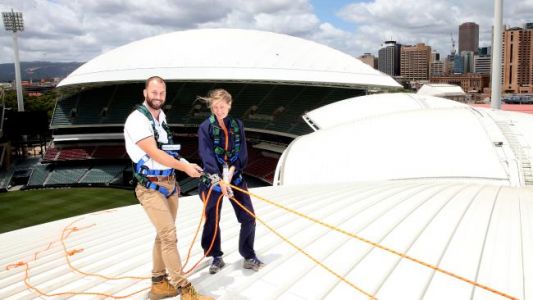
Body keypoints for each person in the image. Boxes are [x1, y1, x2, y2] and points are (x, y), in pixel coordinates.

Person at [124, 76, 213, 300]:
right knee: (169, 237)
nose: (158, 97)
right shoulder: (137, 120)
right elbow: (155, 153)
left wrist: (185, 163)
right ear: (145, 93)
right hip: (151, 186)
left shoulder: (161, 117)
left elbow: (169, 151)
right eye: (154, 93)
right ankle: (185, 290)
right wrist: (184, 168)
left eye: (162, 93)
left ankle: (159, 282)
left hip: (169, 184)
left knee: (162, 237)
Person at [197, 89, 265, 274]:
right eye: (215, 107)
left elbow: (242, 153)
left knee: (249, 217)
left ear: (229, 104)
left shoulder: (237, 125)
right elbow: (207, 155)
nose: (218, 110)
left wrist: (230, 174)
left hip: (234, 178)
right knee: (212, 219)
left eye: (222, 106)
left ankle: (248, 255)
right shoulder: (206, 127)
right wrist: (220, 181)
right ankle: (215, 257)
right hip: (212, 181)